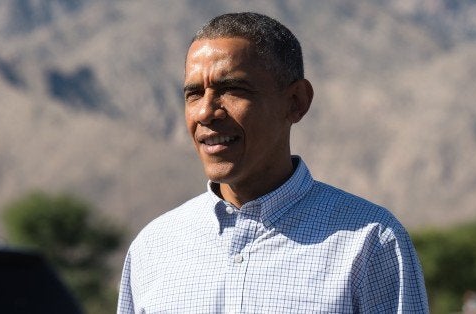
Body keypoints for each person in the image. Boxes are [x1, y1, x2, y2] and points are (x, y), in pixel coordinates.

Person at [117, 12, 429, 313]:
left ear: (296, 102)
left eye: (232, 90)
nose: (205, 112)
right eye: (194, 94)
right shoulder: (153, 249)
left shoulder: (370, 243)